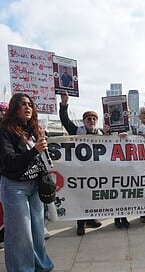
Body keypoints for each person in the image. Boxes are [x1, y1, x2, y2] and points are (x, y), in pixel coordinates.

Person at [0, 93, 54, 272]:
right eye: (22, 105)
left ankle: (39, 263)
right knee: (20, 233)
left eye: (30, 104)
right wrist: (34, 150)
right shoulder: (3, 133)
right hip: (15, 186)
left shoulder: (34, 130)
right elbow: (9, 163)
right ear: (14, 108)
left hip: (34, 185)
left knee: (37, 230)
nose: (27, 108)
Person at [58, 91, 104, 235]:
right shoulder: (76, 131)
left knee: (92, 196)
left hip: (95, 172)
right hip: (80, 172)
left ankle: (91, 219)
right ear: (84, 121)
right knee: (81, 196)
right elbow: (65, 120)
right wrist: (64, 104)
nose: (91, 121)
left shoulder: (102, 134)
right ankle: (80, 223)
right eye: (88, 119)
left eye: (93, 119)